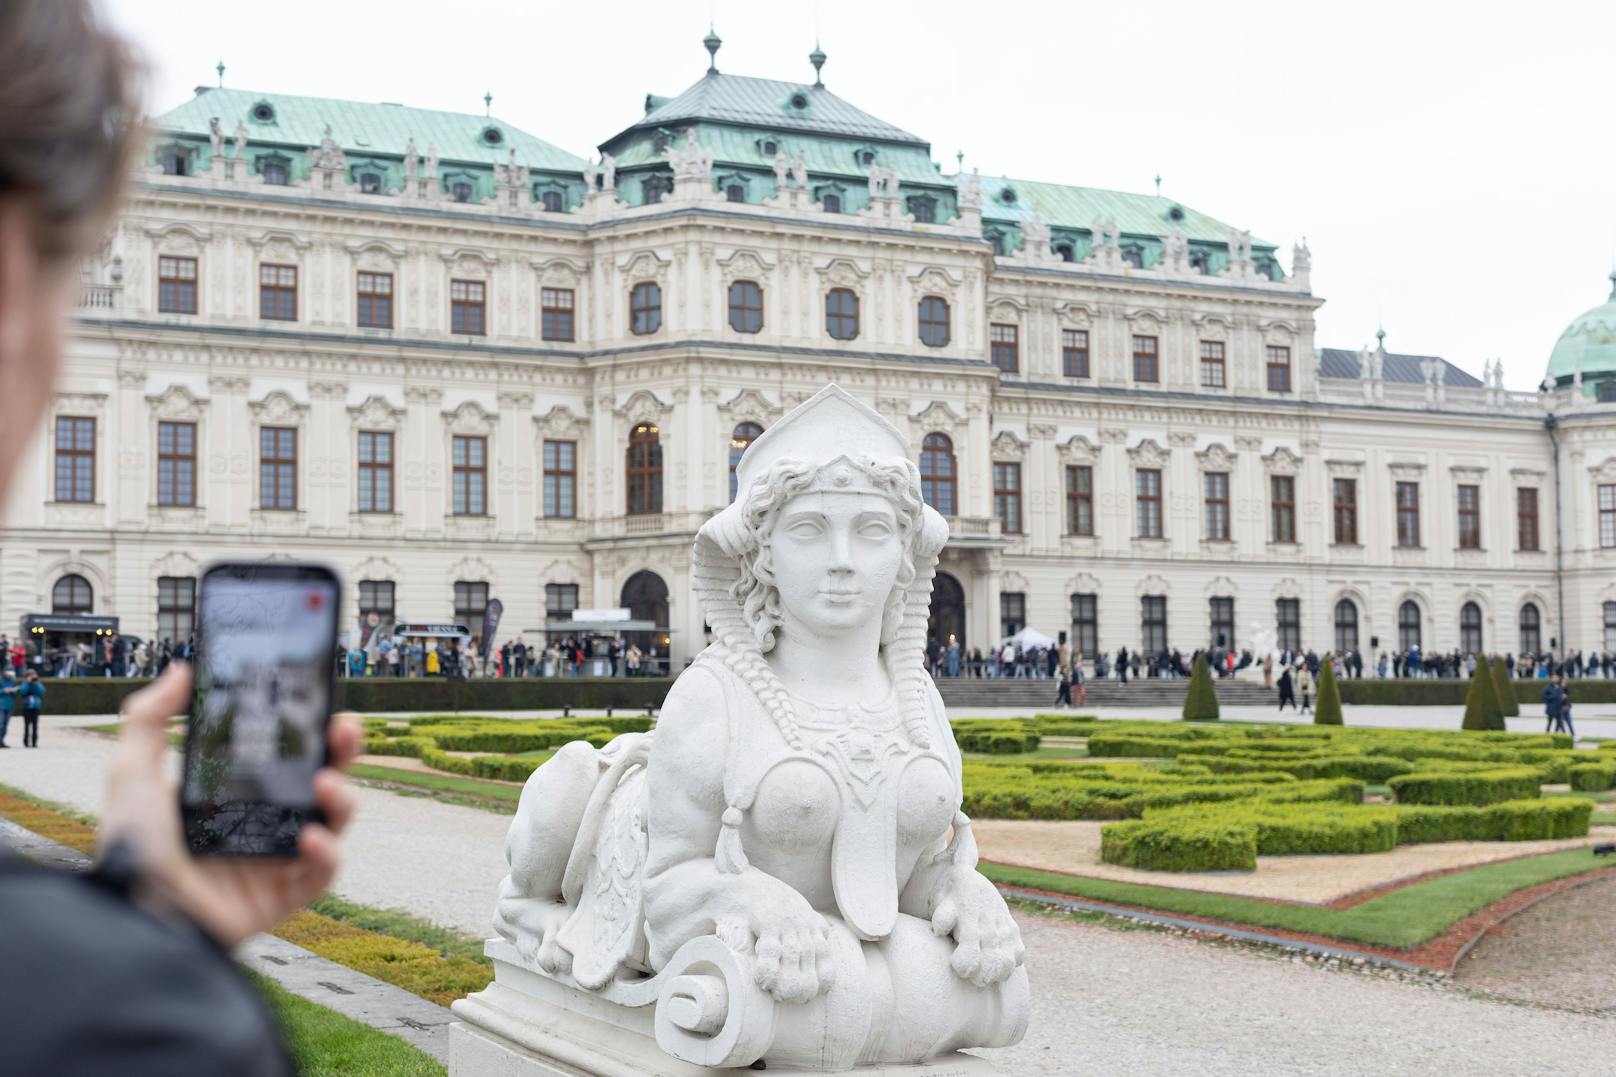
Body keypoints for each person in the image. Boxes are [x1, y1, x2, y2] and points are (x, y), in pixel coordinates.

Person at [18, 669, 44, 747]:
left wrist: (37, 683)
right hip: (26, 707)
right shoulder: (25, 684)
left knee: (35, 725)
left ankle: (34, 742)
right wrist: (27, 683)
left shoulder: (37, 683)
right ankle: (26, 742)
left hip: (35, 707)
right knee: (26, 725)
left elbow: (42, 691)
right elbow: (23, 691)